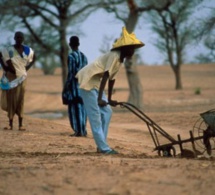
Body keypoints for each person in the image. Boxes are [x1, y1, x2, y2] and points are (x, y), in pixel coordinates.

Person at [76, 27, 144, 154]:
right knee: (95, 116)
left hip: (95, 83)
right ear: (124, 48)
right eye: (131, 48)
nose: (133, 51)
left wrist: (110, 99)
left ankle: (101, 145)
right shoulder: (114, 55)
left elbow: (112, 79)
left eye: (134, 49)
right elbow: (106, 76)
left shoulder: (120, 60)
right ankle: (104, 148)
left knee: (107, 112)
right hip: (87, 81)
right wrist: (99, 98)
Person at [0, 31, 35, 131]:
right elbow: (5, 60)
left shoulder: (28, 50)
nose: (19, 39)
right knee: (11, 99)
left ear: (23, 39)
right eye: (17, 37)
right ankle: (10, 124)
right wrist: (9, 70)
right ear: (14, 38)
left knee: (20, 99)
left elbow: (33, 58)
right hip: (11, 77)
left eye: (21, 37)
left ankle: (20, 124)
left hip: (22, 78)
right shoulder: (9, 50)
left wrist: (26, 69)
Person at [63, 36, 88, 137]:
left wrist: (66, 87)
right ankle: (83, 130)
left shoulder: (71, 56)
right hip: (84, 86)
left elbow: (71, 74)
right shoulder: (84, 56)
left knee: (74, 109)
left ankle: (78, 131)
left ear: (70, 44)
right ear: (79, 44)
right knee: (82, 108)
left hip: (74, 87)